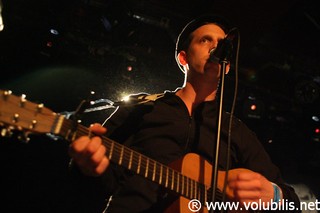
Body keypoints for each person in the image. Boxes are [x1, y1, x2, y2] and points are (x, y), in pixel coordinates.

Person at [68, 14, 301, 212]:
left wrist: (274, 195)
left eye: (221, 43)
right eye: (205, 40)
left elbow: (293, 203)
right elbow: (96, 183)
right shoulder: (142, 109)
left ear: (228, 66)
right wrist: (86, 166)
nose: (215, 47)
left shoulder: (236, 131)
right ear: (183, 58)